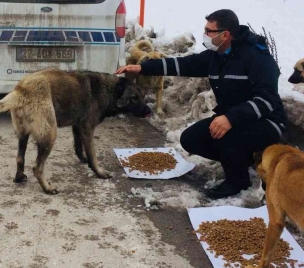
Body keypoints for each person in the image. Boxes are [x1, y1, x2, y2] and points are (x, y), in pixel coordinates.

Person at [116, 10, 287, 199]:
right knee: (191, 139)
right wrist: (143, 68)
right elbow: (184, 64)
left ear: (226, 34)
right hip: (232, 118)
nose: (205, 35)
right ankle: (242, 159)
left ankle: (238, 180)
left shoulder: (257, 57)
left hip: (266, 122)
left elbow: (267, 100)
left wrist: (231, 118)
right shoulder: (216, 55)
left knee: (227, 135)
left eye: (209, 31)